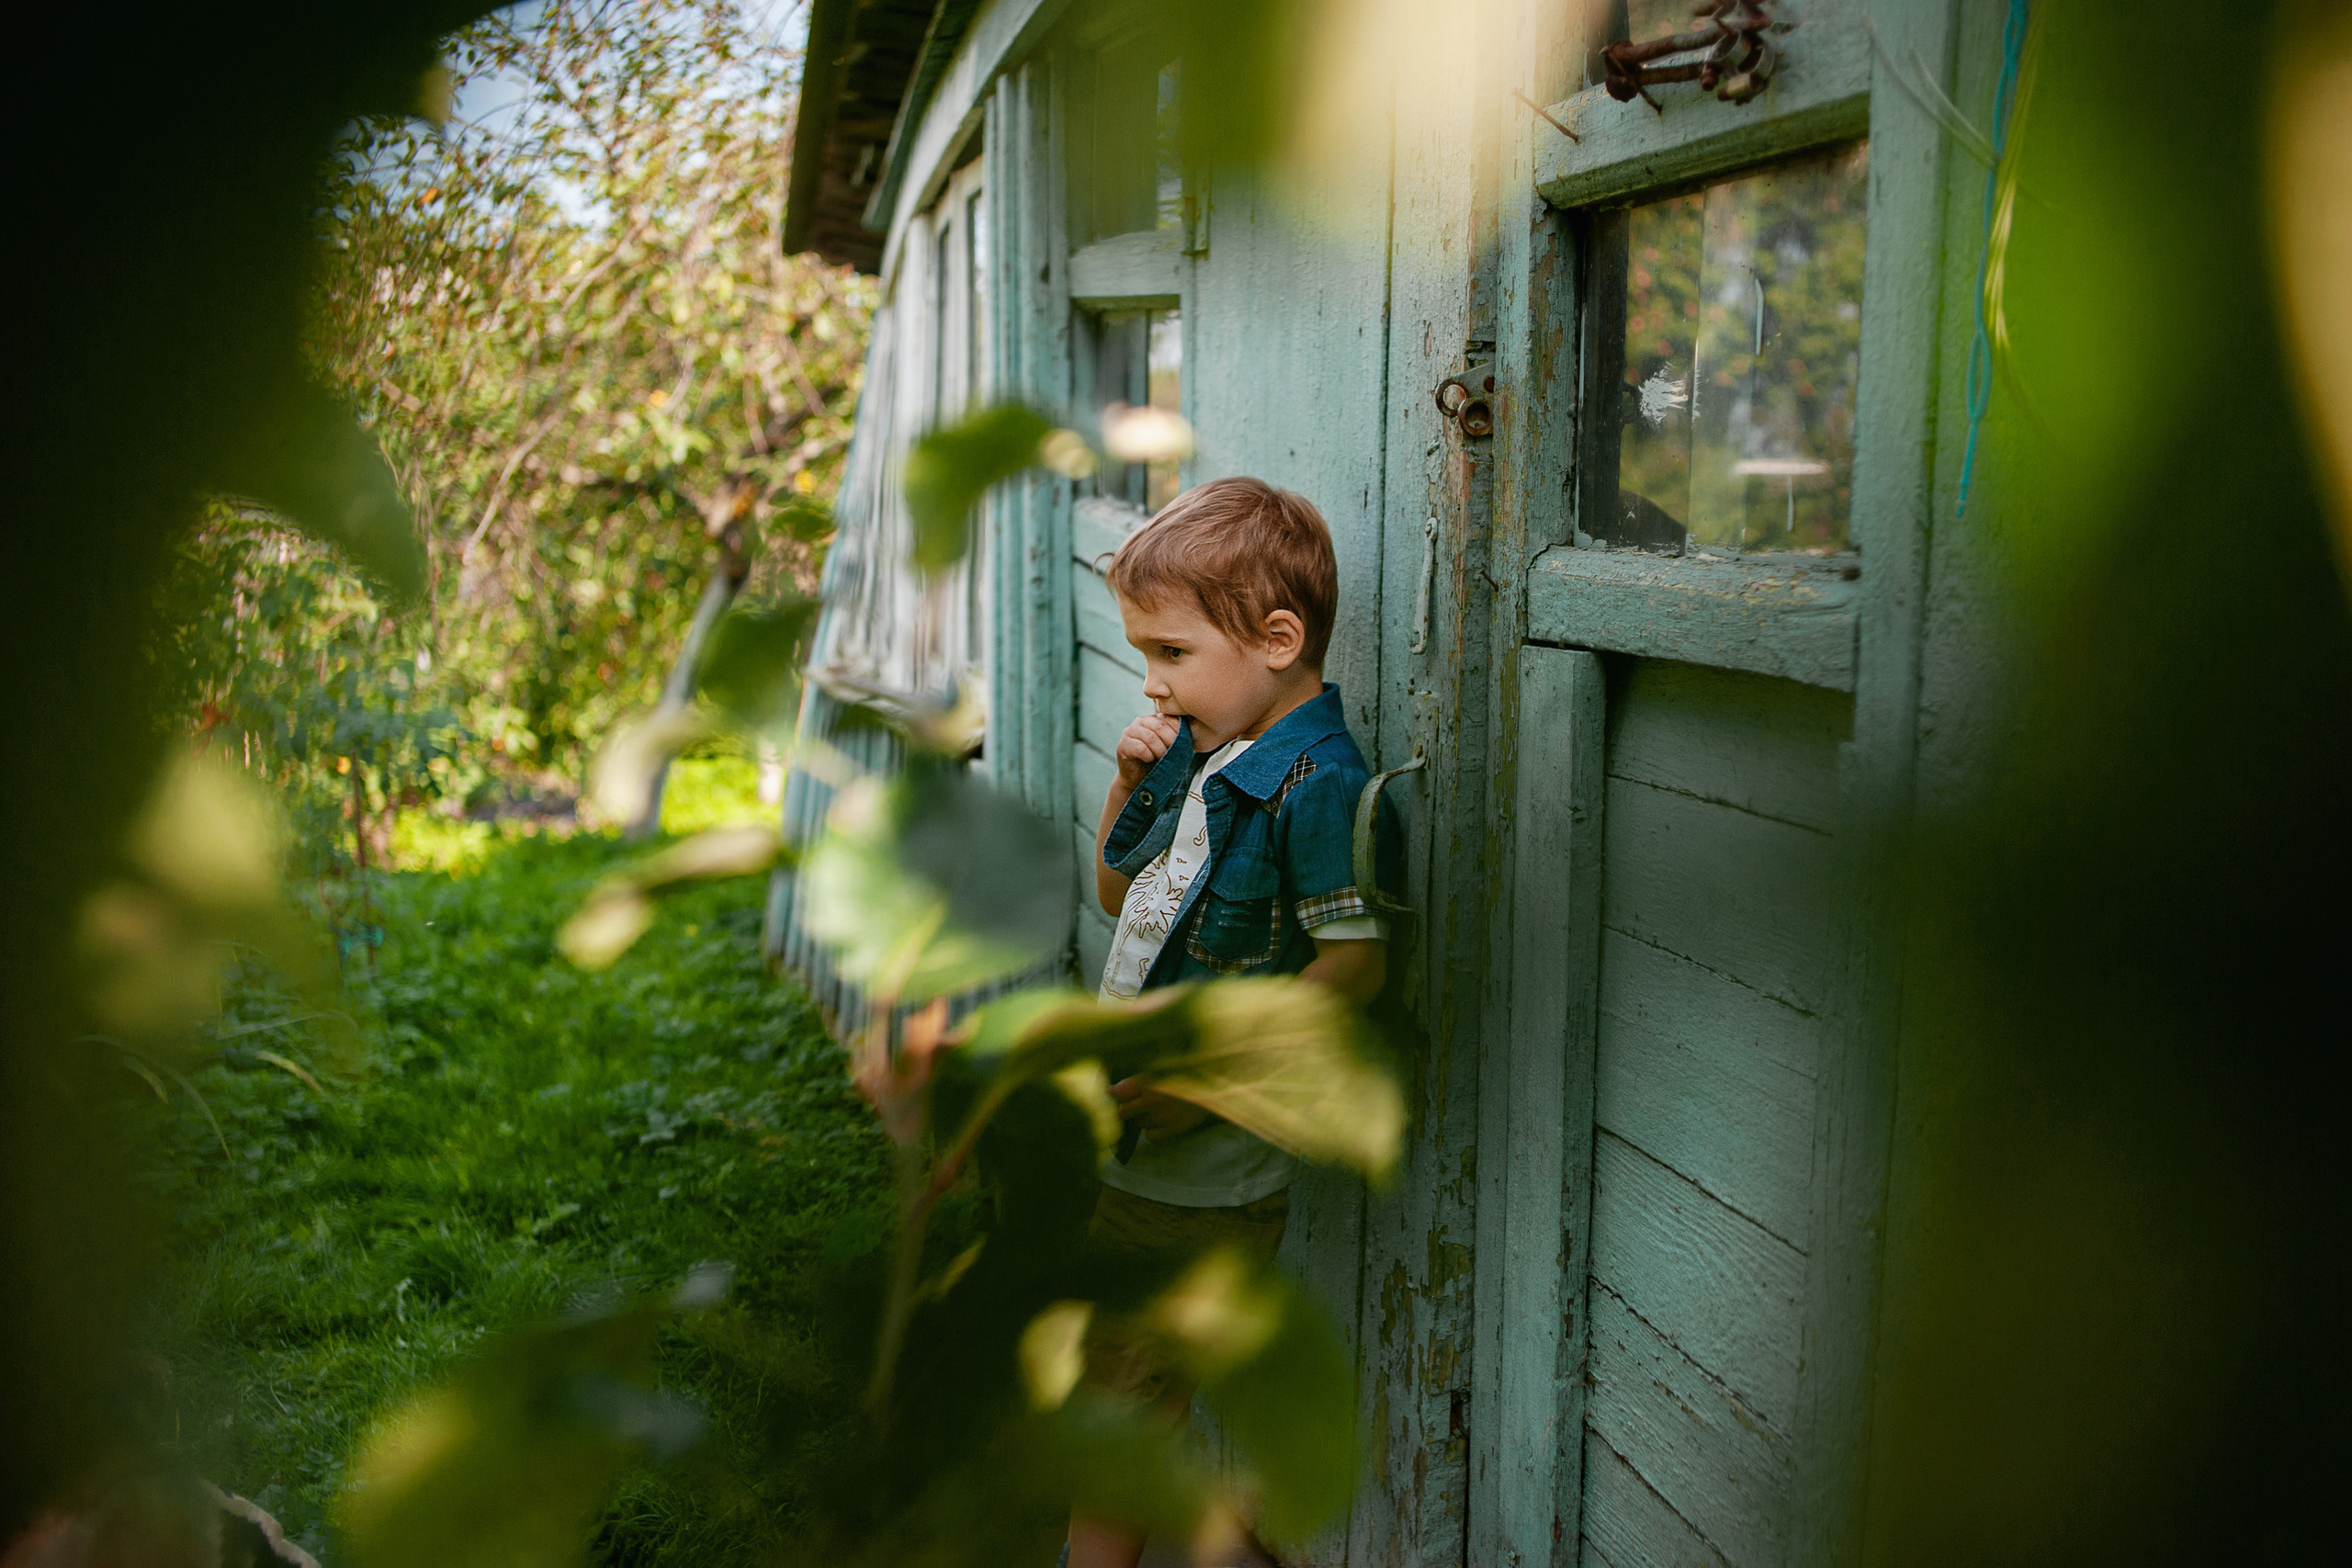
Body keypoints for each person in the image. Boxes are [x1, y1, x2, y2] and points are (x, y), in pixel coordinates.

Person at [1066, 477, 1400, 1568]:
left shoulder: (1315, 785)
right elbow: (1121, 894)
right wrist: (1127, 784)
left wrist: (1198, 1077)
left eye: (1168, 653)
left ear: (1276, 638)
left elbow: (1352, 969)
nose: (1150, 685)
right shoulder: (1206, 752)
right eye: (1142, 655)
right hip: (1140, 1150)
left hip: (1199, 1179)